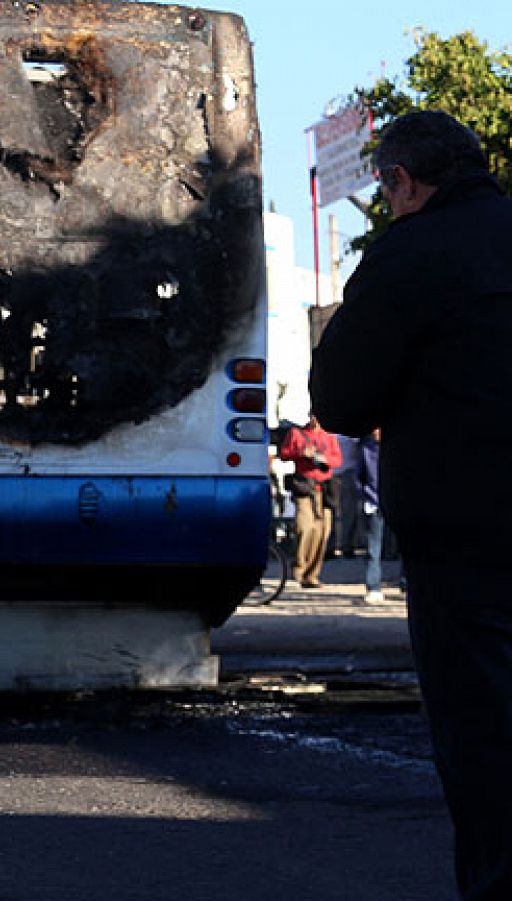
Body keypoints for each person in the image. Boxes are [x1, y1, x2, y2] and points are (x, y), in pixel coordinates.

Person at [310, 109, 512, 900]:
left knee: (488, 741)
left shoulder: (410, 254)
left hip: (468, 538)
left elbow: (345, 400)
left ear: (403, 181)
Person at [277, 416, 342, 588]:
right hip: (304, 487)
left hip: (325, 489)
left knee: (322, 532)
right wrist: (301, 453)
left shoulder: (329, 436)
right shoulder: (297, 433)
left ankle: (312, 574)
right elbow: (283, 454)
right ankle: (299, 567)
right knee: (305, 527)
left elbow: (338, 460)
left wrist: (325, 460)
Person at [354, 430, 386, 604]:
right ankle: (373, 586)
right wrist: (366, 495)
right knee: (374, 548)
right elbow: (359, 477)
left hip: (394, 500)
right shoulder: (366, 449)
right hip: (373, 502)